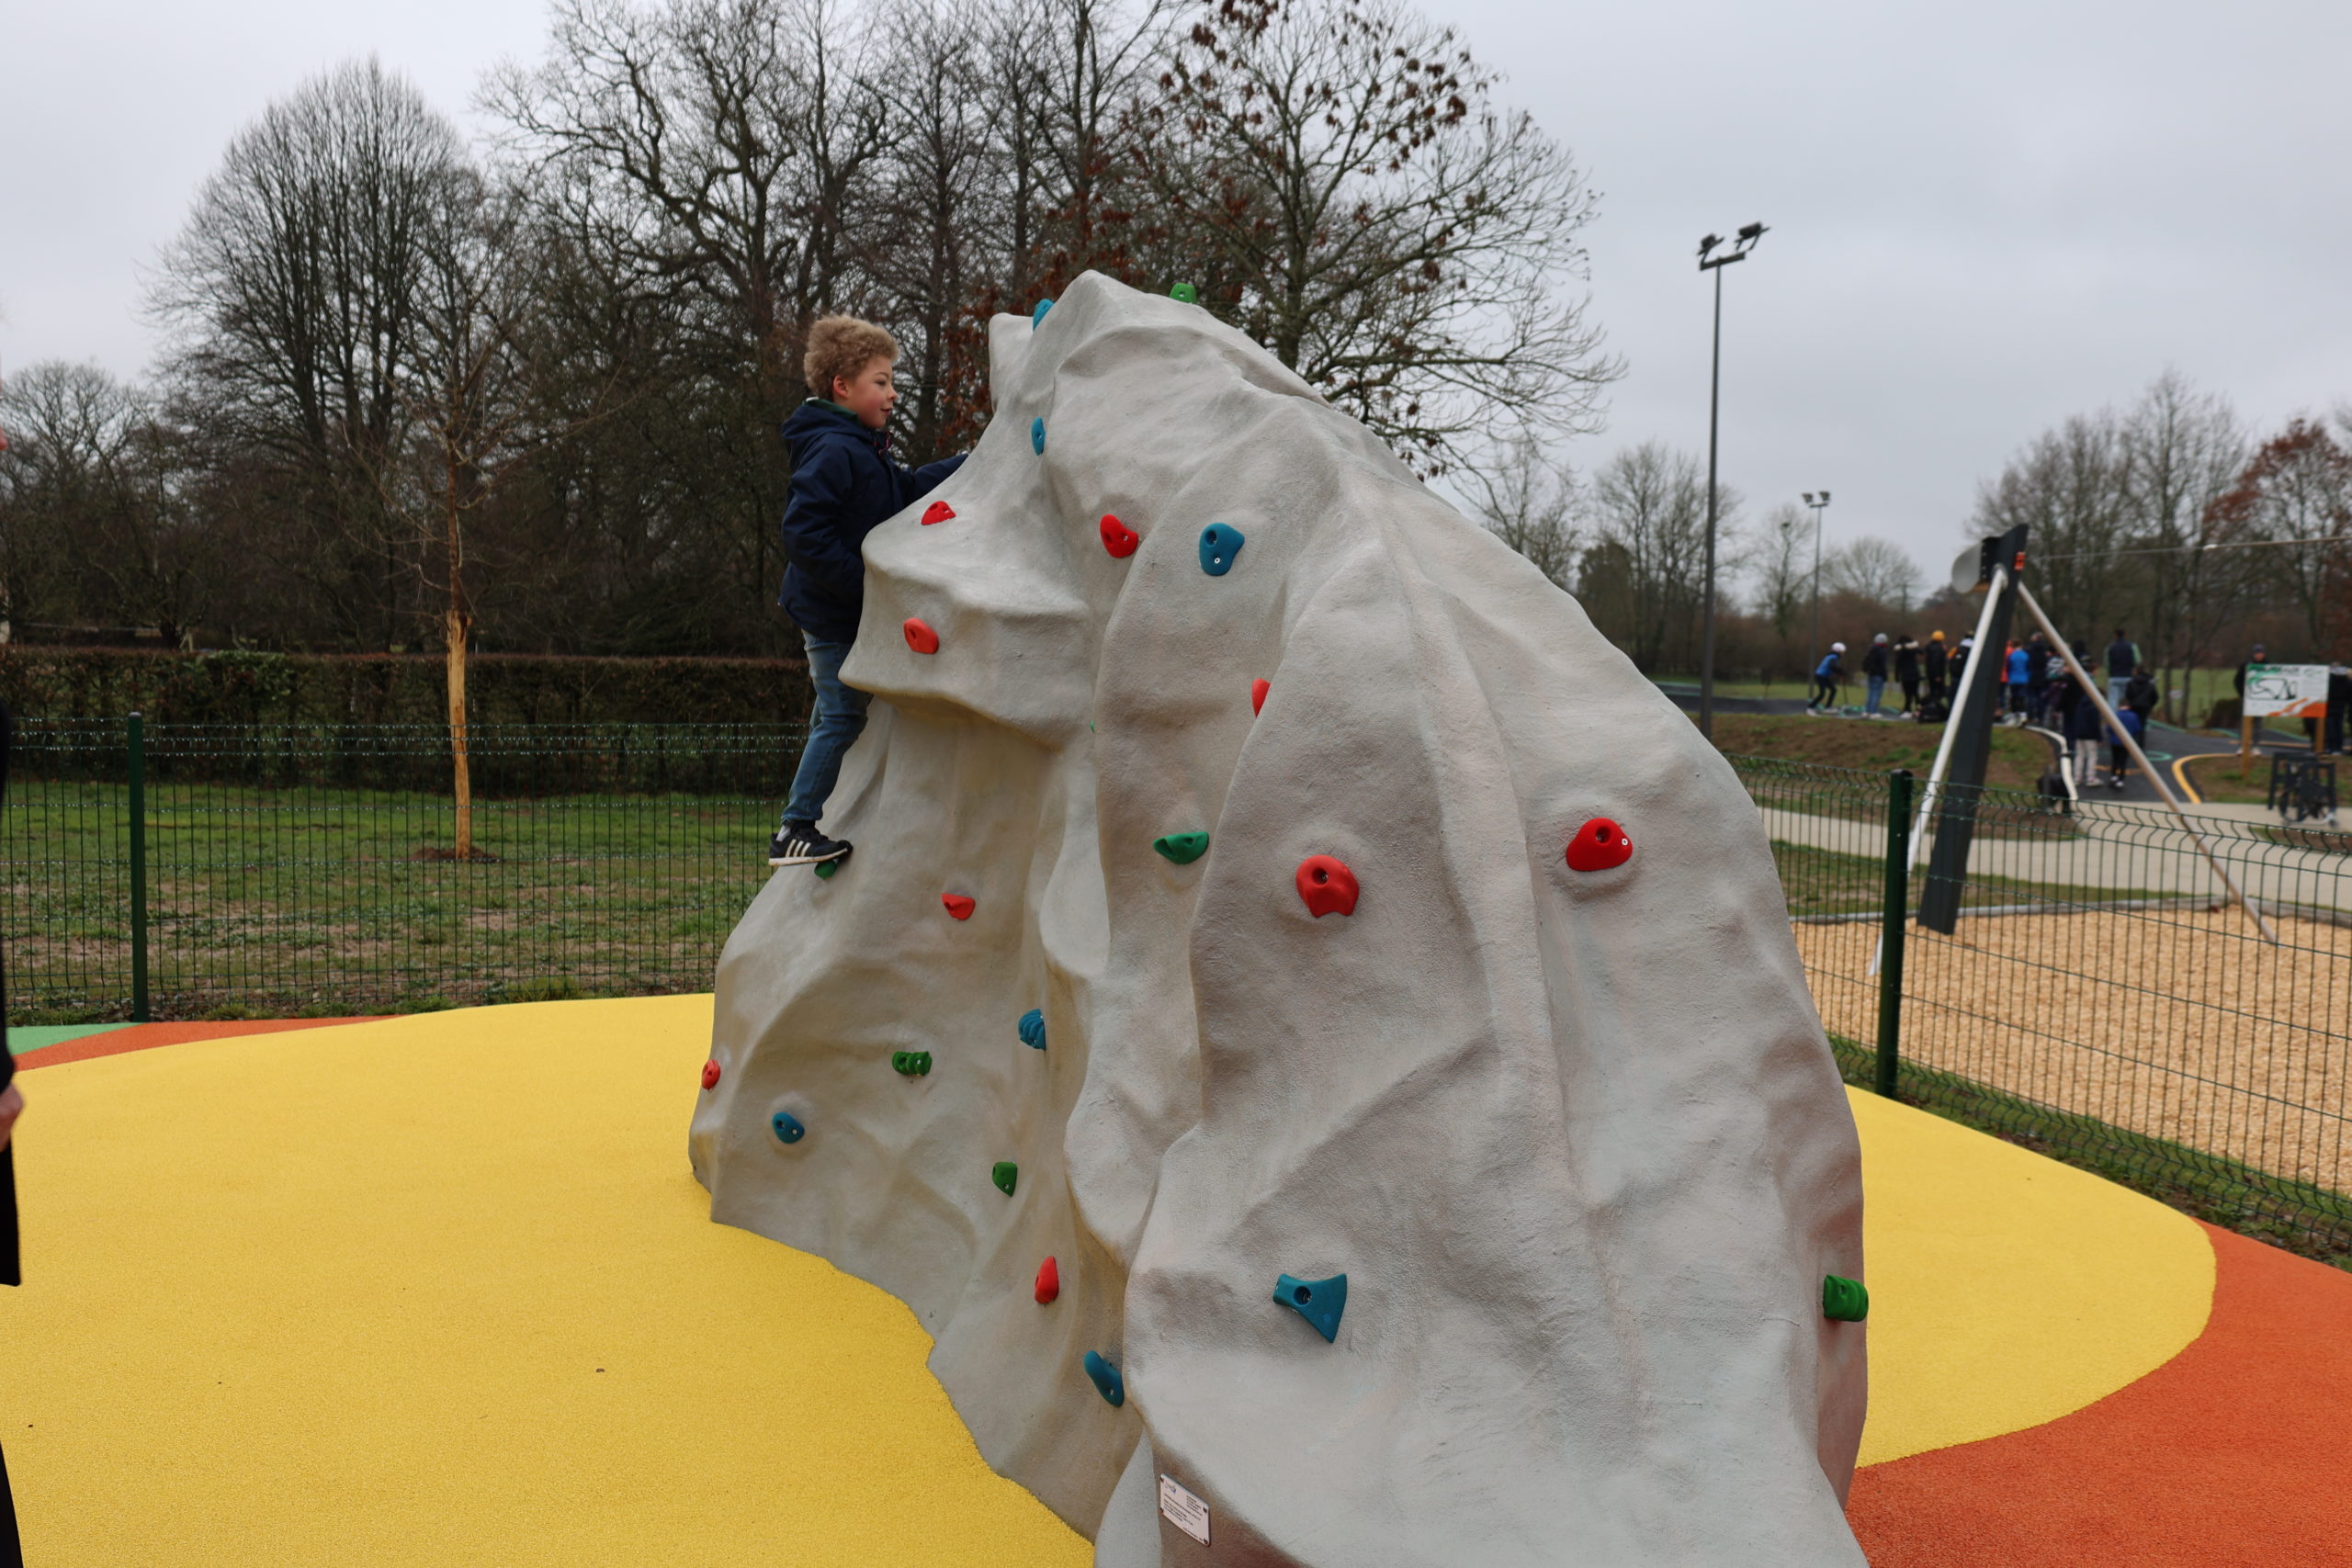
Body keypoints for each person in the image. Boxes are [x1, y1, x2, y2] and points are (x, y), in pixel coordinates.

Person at [769, 317, 967, 867]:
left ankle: (813, 815)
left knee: (833, 714)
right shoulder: (835, 450)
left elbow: (902, 489)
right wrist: (867, 588)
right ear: (842, 387)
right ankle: (796, 827)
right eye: (881, 381)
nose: (893, 393)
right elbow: (803, 534)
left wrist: (969, 466)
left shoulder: (863, 449)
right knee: (841, 717)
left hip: (838, 610)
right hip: (832, 615)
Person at [2063, 672, 2104, 788]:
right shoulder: (2094, 707)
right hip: (2090, 735)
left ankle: (2077, 777)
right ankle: (2090, 777)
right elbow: (2095, 724)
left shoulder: (2080, 703)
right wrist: (2099, 738)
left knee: (2079, 755)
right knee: (2092, 755)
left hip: (2079, 733)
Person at [2104, 627, 2140, 711]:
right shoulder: (2132, 646)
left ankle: (2112, 719)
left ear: (2115, 635)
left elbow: (2107, 663)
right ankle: (2124, 719)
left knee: (2113, 700)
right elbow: (2137, 661)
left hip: (2114, 677)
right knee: (2125, 700)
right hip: (2128, 677)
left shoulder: (2110, 647)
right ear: (2125, 635)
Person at [1811, 642, 1846, 712]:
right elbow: (1832, 666)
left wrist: (1840, 672)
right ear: (1838, 651)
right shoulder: (1833, 657)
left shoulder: (1832, 656)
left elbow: (1832, 667)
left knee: (1833, 690)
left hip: (1824, 676)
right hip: (1821, 676)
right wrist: (1841, 671)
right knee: (1822, 694)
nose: (1842, 653)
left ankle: (1828, 707)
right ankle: (1810, 707)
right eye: (1842, 651)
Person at [1922, 630, 1950, 714]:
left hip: (1930, 673)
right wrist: (1938, 675)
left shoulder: (1929, 646)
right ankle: (1935, 709)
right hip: (1937, 675)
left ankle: (1933, 707)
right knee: (1940, 692)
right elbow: (1936, 662)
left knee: (1933, 691)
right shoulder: (1938, 648)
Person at [1894, 633, 1922, 716]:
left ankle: (1907, 710)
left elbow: (1898, 664)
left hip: (1905, 676)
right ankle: (1918, 709)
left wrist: (1897, 676)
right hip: (1915, 674)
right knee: (1915, 693)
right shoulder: (1913, 650)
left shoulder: (1900, 652)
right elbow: (1921, 652)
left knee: (1908, 694)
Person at [1862, 633, 1890, 716]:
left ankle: (1867, 711)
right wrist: (1885, 675)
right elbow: (1882, 665)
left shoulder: (1871, 649)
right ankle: (1874, 712)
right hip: (1878, 675)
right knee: (1876, 693)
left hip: (1871, 674)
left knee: (1870, 693)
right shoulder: (1882, 651)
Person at [2005, 639, 2031, 722]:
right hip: (2023, 679)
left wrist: (2009, 676)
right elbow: (2029, 668)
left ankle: (2013, 714)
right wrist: (2028, 676)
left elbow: (2008, 667)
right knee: (2022, 697)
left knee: (2013, 697)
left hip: (2013, 679)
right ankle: (2023, 715)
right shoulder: (2026, 655)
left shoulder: (2012, 655)